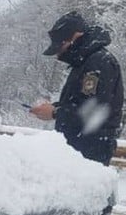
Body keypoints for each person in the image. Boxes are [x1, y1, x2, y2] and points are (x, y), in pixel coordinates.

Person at [30, 11, 123, 166]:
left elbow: (92, 111)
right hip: (84, 146)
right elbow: (81, 103)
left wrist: (55, 113)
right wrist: (55, 107)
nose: (59, 53)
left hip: (91, 149)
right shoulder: (86, 62)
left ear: (76, 36)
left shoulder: (97, 63)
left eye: (61, 45)